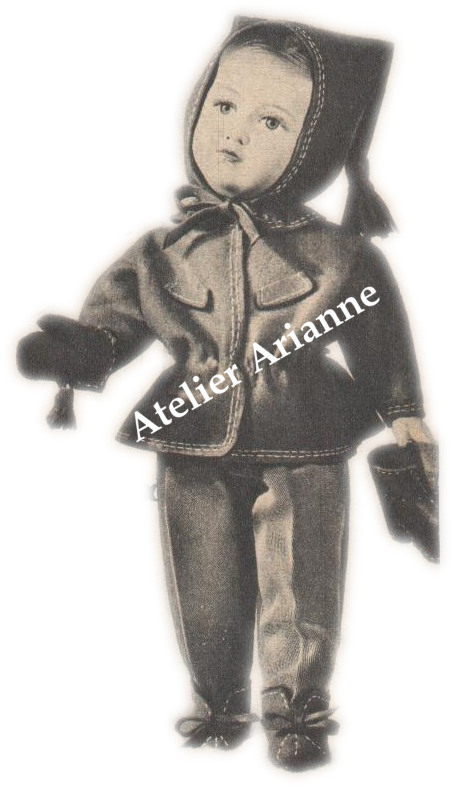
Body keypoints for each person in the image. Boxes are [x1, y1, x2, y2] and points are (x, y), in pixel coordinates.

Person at [17, 17, 433, 771]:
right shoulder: (165, 249)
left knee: (301, 582)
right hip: (191, 433)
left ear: (315, 147)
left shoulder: (340, 254)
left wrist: (404, 414)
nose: (235, 132)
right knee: (201, 579)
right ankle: (217, 701)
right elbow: (119, 316)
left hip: (305, 435)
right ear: (197, 104)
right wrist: (84, 350)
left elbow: (377, 338)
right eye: (224, 105)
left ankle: (295, 710)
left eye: (272, 122)